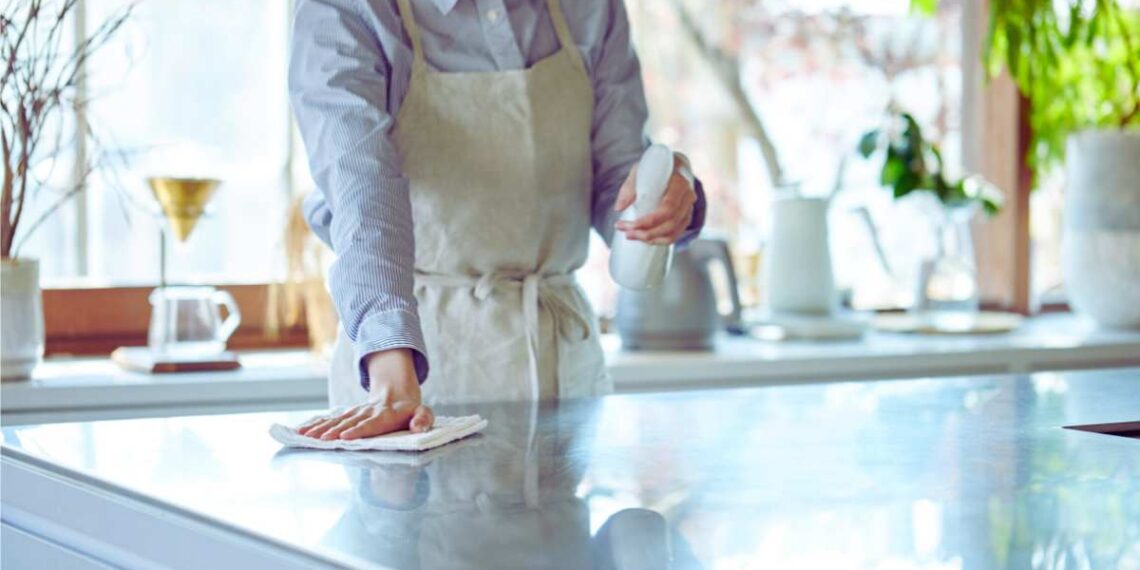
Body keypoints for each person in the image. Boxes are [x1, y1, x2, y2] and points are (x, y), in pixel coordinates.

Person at [288, 0, 706, 441]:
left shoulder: (593, 8)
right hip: (413, 373)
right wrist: (391, 372)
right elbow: (362, 191)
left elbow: (616, 180)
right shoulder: (345, 9)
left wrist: (661, 199)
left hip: (563, 370)